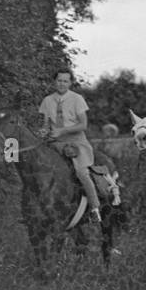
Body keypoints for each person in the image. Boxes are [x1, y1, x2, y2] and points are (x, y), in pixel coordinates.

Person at [39, 69, 101, 223]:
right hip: (55, 143)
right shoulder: (47, 101)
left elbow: (83, 124)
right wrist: (43, 132)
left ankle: (94, 208)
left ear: (70, 83)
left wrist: (63, 130)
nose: (62, 84)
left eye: (65, 81)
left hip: (76, 142)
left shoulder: (77, 99)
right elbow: (46, 125)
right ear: (54, 82)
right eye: (59, 80)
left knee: (81, 172)